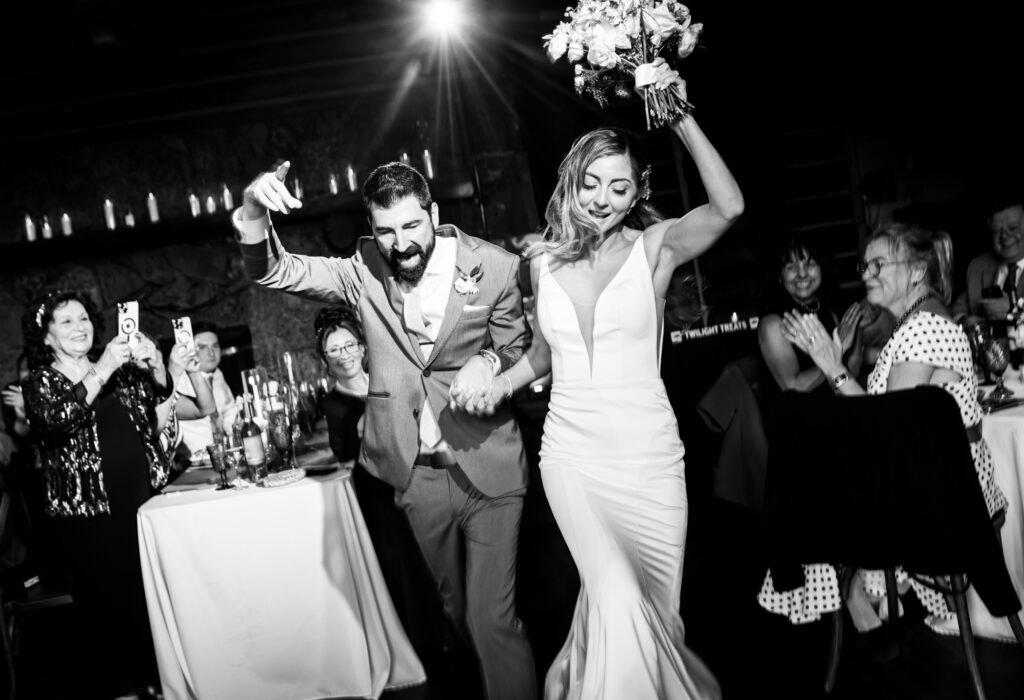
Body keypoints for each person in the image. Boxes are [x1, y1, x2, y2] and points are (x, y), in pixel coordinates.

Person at [454, 60, 743, 699]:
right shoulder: (545, 264)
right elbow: (546, 352)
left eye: (618, 187)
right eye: (591, 184)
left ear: (638, 191)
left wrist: (679, 115)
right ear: (572, 183)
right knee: (615, 597)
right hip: (573, 456)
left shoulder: (655, 247)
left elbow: (729, 206)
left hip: (648, 457)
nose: (602, 200)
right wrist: (501, 382)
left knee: (657, 615)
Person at [233, 160, 536, 700]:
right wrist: (254, 212)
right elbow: (276, 271)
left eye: (412, 226)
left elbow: (518, 349)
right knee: (456, 612)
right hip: (417, 476)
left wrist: (488, 362)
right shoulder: (362, 270)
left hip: (488, 465)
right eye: (387, 231)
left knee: (494, 619)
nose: (401, 243)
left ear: (433, 215)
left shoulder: (494, 266)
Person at [757, 222, 1008, 631]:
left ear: (915, 271)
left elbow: (886, 430)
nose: (866, 274)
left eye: (878, 264)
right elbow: (891, 424)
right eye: (864, 265)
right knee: (820, 485)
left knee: (812, 499)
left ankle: (854, 590)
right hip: (942, 483)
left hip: (945, 500)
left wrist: (831, 364)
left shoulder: (922, 329)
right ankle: (867, 594)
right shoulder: (917, 323)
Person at [20, 290, 179, 700]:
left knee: (149, 595)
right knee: (110, 601)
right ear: (47, 338)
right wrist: (104, 366)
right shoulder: (42, 382)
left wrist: (157, 364)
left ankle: (161, 681)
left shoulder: (120, 374)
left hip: (140, 500)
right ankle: (123, 689)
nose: (80, 326)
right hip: (88, 515)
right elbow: (56, 421)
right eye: (67, 321)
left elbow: (156, 408)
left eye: (84, 318)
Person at [314, 304, 445, 650]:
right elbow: (355, 444)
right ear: (324, 359)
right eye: (333, 350)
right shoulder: (334, 404)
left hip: (420, 480)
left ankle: (452, 635)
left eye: (349, 346)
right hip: (379, 495)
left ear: (362, 347)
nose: (344, 356)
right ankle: (425, 648)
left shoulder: (388, 380)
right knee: (406, 570)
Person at [758, 237, 861, 394]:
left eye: (810, 264)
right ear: (779, 276)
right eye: (791, 267)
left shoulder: (828, 310)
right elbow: (793, 388)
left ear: (822, 269)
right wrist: (835, 354)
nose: (802, 274)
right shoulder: (773, 324)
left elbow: (848, 378)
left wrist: (859, 329)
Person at [951, 194, 1024, 323]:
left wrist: (1014, 311)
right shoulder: (977, 266)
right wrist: (965, 320)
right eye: (996, 230)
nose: (1004, 236)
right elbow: (954, 311)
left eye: (1012, 228)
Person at [174, 322, 237, 453]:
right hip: (195, 459)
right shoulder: (178, 380)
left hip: (224, 453)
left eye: (215, 346)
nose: (211, 352)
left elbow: (229, 410)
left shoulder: (217, 374)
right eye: (202, 347)